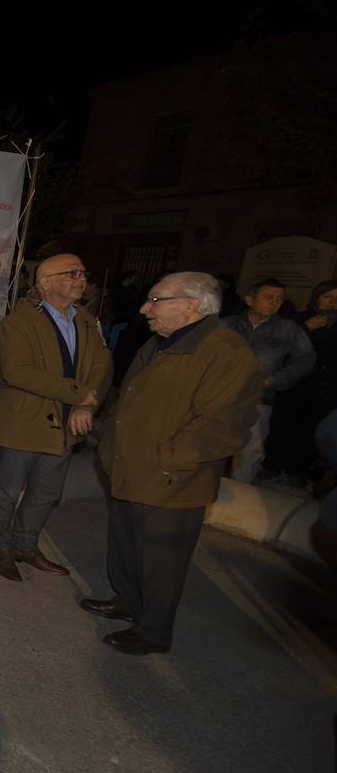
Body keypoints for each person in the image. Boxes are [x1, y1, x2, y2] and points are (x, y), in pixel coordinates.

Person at [85, 271, 260, 654]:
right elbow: (128, 398)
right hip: (130, 470)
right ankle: (129, 602)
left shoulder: (226, 352)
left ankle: (152, 631)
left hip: (172, 480)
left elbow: (224, 426)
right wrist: (108, 445)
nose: (146, 309)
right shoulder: (161, 342)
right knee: (127, 548)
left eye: (156, 299)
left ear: (192, 305)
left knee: (161, 563)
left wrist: (169, 459)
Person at [0, 252, 112, 581]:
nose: (80, 279)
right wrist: (76, 393)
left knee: (46, 493)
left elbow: (102, 365)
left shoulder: (85, 319)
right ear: (45, 283)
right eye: (71, 273)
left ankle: (25, 545)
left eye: (82, 273)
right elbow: (17, 372)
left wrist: (86, 405)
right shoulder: (20, 322)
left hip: (67, 423)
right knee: (6, 491)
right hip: (23, 423)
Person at [222, 278, 316, 483]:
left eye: (279, 299)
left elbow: (306, 360)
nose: (274, 303)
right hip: (219, 396)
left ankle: (241, 497)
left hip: (259, 397)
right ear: (250, 299)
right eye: (268, 297)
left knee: (250, 450)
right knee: (209, 443)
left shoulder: (289, 329)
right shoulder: (227, 325)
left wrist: (274, 380)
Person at [263, 280, 337, 487]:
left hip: (324, 390)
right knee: (282, 427)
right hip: (294, 385)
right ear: (317, 297)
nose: (333, 303)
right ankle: (272, 465)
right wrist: (306, 328)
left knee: (310, 432)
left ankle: (297, 470)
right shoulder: (299, 319)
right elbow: (276, 348)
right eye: (328, 297)